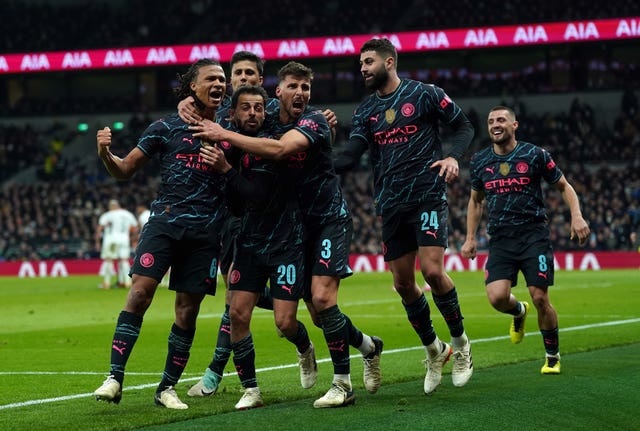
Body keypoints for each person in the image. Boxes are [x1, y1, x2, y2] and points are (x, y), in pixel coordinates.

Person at [190, 61, 383, 409]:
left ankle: (342, 384)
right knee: (306, 315)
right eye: (293, 86)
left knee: (323, 302)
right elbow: (235, 114)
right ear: (277, 91)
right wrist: (188, 105)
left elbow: (278, 150)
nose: (300, 93)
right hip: (290, 227)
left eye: (305, 88)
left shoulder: (314, 120)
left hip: (325, 219)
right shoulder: (263, 120)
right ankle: (369, 346)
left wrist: (224, 137)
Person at [181, 51, 333, 400]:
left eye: (252, 73)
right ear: (230, 80)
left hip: (286, 227)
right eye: (238, 73)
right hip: (236, 226)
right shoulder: (216, 115)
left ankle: (353, 344)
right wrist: (184, 107)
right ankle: (227, 377)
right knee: (236, 305)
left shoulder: (275, 125)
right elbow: (189, 111)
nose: (245, 78)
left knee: (303, 311)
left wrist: (323, 122)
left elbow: (293, 143)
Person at [333, 38, 474, 394]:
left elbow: (464, 127)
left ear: (389, 62)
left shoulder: (425, 94)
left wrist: (455, 157)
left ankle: (460, 345)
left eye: (368, 62)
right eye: (361, 63)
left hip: (426, 196)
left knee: (431, 271)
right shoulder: (366, 111)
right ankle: (434, 350)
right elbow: (350, 156)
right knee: (402, 284)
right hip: (390, 205)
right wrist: (310, 151)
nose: (362, 68)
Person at [92, 58, 230, 410]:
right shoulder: (164, 127)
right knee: (139, 293)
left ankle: (166, 388)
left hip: (206, 232)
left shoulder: (231, 129)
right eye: (212, 79)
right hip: (166, 223)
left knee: (187, 311)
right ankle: (114, 377)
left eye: (223, 80)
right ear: (192, 88)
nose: (220, 84)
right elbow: (124, 170)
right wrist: (105, 152)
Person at [200, 85, 316, 410]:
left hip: (285, 243)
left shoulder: (273, 140)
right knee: (237, 313)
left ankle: (304, 344)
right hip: (249, 243)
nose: (253, 113)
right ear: (234, 113)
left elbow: (258, 195)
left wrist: (225, 169)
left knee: (284, 322)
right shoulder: (233, 148)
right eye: (246, 108)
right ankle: (251, 389)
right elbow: (238, 206)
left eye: (258, 108)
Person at [460, 106, 590, 374]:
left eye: (501, 120)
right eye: (491, 121)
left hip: (533, 236)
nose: (496, 125)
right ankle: (519, 311)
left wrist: (576, 216)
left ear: (514, 125)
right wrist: (470, 237)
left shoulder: (535, 155)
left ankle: (552, 355)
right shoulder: (480, 161)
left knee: (541, 297)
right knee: (497, 298)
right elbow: (475, 201)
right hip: (500, 240)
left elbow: (564, 186)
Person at [95, 199, 138, 289]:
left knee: (109, 260)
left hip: (111, 240)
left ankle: (106, 283)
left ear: (111, 206)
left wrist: (97, 242)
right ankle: (126, 282)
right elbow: (135, 227)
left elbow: (99, 228)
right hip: (124, 239)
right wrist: (133, 239)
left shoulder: (107, 215)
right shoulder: (127, 214)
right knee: (123, 260)